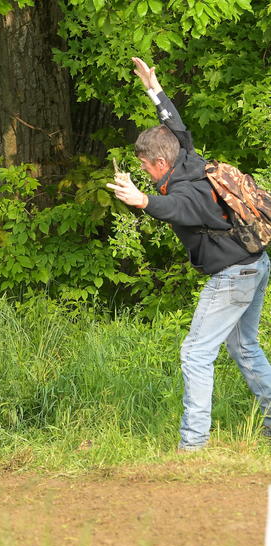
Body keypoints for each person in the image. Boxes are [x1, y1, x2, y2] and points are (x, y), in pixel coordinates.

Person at [107, 57, 271, 451]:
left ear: (161, 162)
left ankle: (192, 445)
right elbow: (176, 124)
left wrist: (142, 199)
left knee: (196, 354)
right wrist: (154, 87)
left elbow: (173, 209)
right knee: (243, 346)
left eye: (146, 168)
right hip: (256, 263)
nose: (145, 172)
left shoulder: (187, 191)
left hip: (234, 275)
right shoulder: (187, 156)